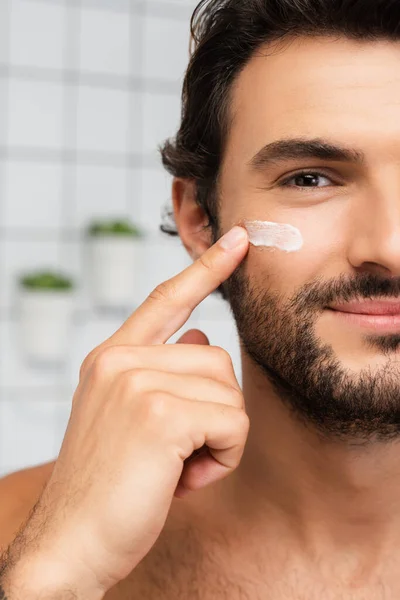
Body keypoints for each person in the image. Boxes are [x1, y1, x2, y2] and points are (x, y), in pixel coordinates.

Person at [2, 0, 400, 597]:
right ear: (199, 219)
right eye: (311, 178)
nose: (389, 246)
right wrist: (56, 579)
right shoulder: (23, 536)